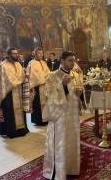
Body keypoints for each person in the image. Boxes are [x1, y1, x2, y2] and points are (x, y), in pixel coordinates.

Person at [43, 51, 83, 180]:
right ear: (62, 61)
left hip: (72, 115)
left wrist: (79, 93)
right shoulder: (52, 76)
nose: (73, 63)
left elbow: (75, 95)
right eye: (70, 60)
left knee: (72, 141)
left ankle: (71, 167)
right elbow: (49, 95)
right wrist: (62, 85)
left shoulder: (74, 75)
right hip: (59, 116)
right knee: (60, 142)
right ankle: (58, 171)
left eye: (73, 60)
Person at [0, 48, 29, 138]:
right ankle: (12, 131)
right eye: (14, 53)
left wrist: (25, 75)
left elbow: (21, 76)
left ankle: (21, 129)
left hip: (18, 91)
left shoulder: (18, 64)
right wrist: (20, 80)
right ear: (9, 55)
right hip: (8, 92)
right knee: (9, 112)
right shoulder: (3, 65)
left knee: (20, 111)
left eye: (17, 53)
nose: (16, 55)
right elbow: (7, 80)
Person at [27, 48, 50, 126]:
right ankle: (38, 120)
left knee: (46, 103)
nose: (41, 55)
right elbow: (31, 75)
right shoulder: (31, 63)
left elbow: (48, 72)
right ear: (35, 54)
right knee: (37, 104)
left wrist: (48, 78)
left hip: (45, 86)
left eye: (41, 53)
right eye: (39, 53)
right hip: (37, 86)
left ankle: (46, 118)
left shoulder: (44, 62)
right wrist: (41, 80)